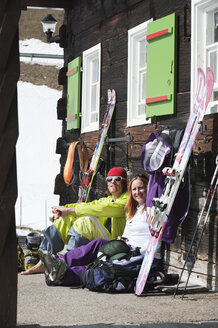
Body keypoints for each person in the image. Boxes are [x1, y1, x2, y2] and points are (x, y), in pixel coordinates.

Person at [39, 174, 162, 287]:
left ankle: (63, 274)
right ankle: (59, 262)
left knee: (102, 267)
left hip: (137, 254)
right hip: (125, 247)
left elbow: (155, 239)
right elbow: (92, 206)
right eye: (134, 190)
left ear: (148, 189)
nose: (137, 192)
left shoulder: (151, 211)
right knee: (97, 243)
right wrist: (122, 240)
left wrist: (134, 253)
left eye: (141, 188)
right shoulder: (133, 211)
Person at [21, 167, 128, 275]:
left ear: (123, 182)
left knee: (85, 224)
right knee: (65, 219)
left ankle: (66, 263)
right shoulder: (107, 199)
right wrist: (63, 209)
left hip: (116, 244)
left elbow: (101, 209)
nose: (112, 182)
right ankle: (43, 261)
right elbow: (89, 206)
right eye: (109, 179)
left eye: (117, 179)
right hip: (104, 240)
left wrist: (68, 210)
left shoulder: (127, 200)